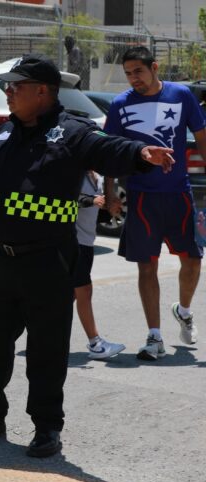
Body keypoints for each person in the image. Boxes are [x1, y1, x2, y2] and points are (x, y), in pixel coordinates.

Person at [0, 55, 175, 458]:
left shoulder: (72, 133)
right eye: (7, 86)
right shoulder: (1, 134)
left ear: (42, 92)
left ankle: (47, 427)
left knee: (46, 351)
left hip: (47, 262)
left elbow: (108, 148)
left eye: (16, 86)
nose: (8, 93)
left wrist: (139, 154)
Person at [104, 46, 206, 361]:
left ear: (155, 67)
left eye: (138, 71)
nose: (133, 78)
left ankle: (184, 311)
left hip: (179, 194)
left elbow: (202, 137)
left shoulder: (181, 95)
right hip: (141, 197)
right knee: (147, 266)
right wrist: (110, 193)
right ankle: (154, 336)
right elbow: (109, 151)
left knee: (193, 261)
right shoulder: (120, 104)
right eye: (128, 73)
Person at [75, 171, 126, 359]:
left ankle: (41, 335)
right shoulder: (74, 171)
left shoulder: (97, 176)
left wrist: (110, 206)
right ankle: (95, 343)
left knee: (68, 295)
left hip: (86, 241)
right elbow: (63, 199)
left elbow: (96, 209)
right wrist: (92, 200)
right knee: (84, 290)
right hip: (73, 241)